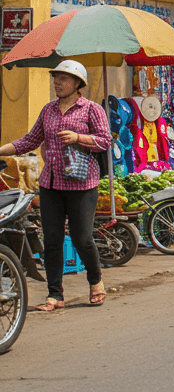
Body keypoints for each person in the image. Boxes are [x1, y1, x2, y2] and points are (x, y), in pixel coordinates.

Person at [0, 60, 111, 310]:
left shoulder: (92, 109)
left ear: (77, 83)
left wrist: (79, 137)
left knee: (83, 238)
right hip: (51, 184)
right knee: (51, 240)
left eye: (63, 78)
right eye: (55, 78)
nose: (57, 82)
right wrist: (2, 151)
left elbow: (105, 141)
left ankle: (96, 280)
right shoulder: (48, 110)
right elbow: (29, 140)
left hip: (82, 185)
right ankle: (55, 295)